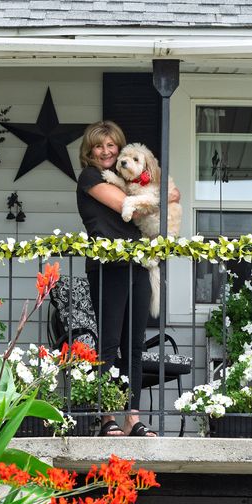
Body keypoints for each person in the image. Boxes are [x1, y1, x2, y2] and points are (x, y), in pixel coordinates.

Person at [75, 121, 179, 437]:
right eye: (99, 146)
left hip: (137, 264)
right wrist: (166, 195)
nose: (106, 151)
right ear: (90, 150)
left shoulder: (126, 178)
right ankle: (107, 418)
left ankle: (133, 417)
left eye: (111, 145)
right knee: (108, 344)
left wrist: (163, 194)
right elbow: (128, 208)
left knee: (133, 346)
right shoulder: (91, 177)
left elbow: (153, 196)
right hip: (108, 267)